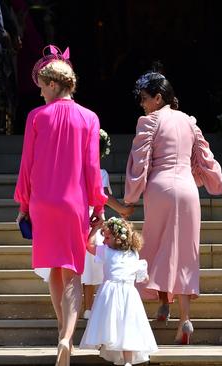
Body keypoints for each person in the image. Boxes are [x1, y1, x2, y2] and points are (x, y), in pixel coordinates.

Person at [124, 71, 222, 344]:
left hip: (160, 189)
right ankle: (184, 318)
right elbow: (207, 160)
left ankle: (163, 304)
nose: (142, 103)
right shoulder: (189, 122)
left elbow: (140, 163)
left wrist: (130, 198)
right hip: (187, 190)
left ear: (158, 97)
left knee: (155, 246)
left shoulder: (149, 121)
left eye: (144, 98)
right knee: (186, 252)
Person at [14, 45, 107, 366]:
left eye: (41, 85)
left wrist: (24, 204)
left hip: (43, 202)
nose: (39, 92)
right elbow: (92, 167)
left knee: (53, 268)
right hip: (74, 203)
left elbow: (27, 165)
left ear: (54, 84)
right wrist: (99, 205)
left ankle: (60, 332)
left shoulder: (36, 117)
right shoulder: (89, 118)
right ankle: (67, 336)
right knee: (72, 273)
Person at [80, 217, 158, 365]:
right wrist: (96, 229)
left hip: (123, 294)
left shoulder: (128, 253)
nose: (104, 241)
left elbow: (142, 275)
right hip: (116, 293)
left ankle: (128, 360)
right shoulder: (111, 251)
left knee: (126, 326)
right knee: (116, 325)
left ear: (118, 238)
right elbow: (89, 246)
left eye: (107, 237)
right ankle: (119, 354)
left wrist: (144, 275)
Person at [82, 129, 133, 319]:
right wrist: (123, 209)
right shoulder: (99, 172)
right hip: (90, 219)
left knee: (79, 267)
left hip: (78, 217)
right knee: (89, 267)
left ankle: (81, 308)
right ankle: (88, 308)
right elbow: (103, 196)